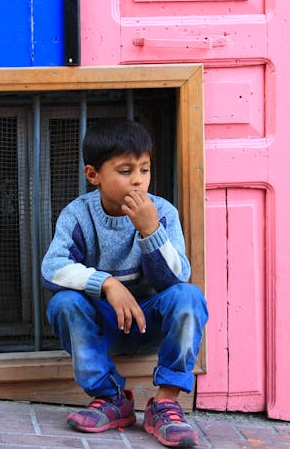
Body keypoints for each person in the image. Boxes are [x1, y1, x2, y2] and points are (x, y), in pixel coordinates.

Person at [41, 118, 209, 448]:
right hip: (103, 325)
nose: (137, 180)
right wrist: (108, 285)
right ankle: (111, 397)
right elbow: (52, 269)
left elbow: (176, 278)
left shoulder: (162, 212)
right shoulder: (78, 215)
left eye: (144, 170)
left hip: (151, 323)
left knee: (189, 296)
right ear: (93, 175)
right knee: (63, 303)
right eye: (125, 171)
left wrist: (150, 230)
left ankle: (166, 402)